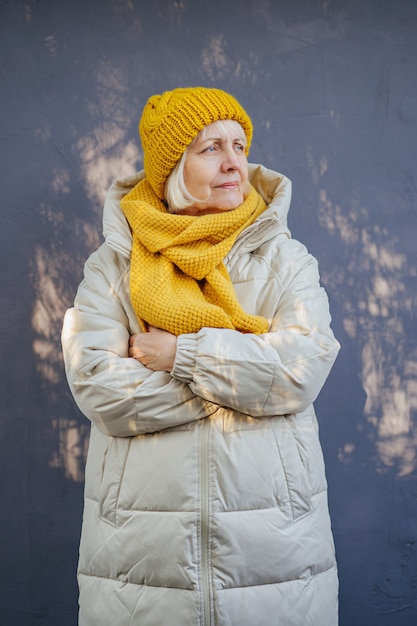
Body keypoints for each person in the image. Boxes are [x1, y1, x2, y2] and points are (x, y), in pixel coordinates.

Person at [62, 86, 340, 626]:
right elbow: (99, 384)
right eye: (210, 147)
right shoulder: (113, 266)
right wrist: (245, 386)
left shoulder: (285, 259)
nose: (234, 161)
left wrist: (183, 356)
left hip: (275, 554)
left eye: (239, 144)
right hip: (140, 558)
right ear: (172, 166)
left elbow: (300, 370)